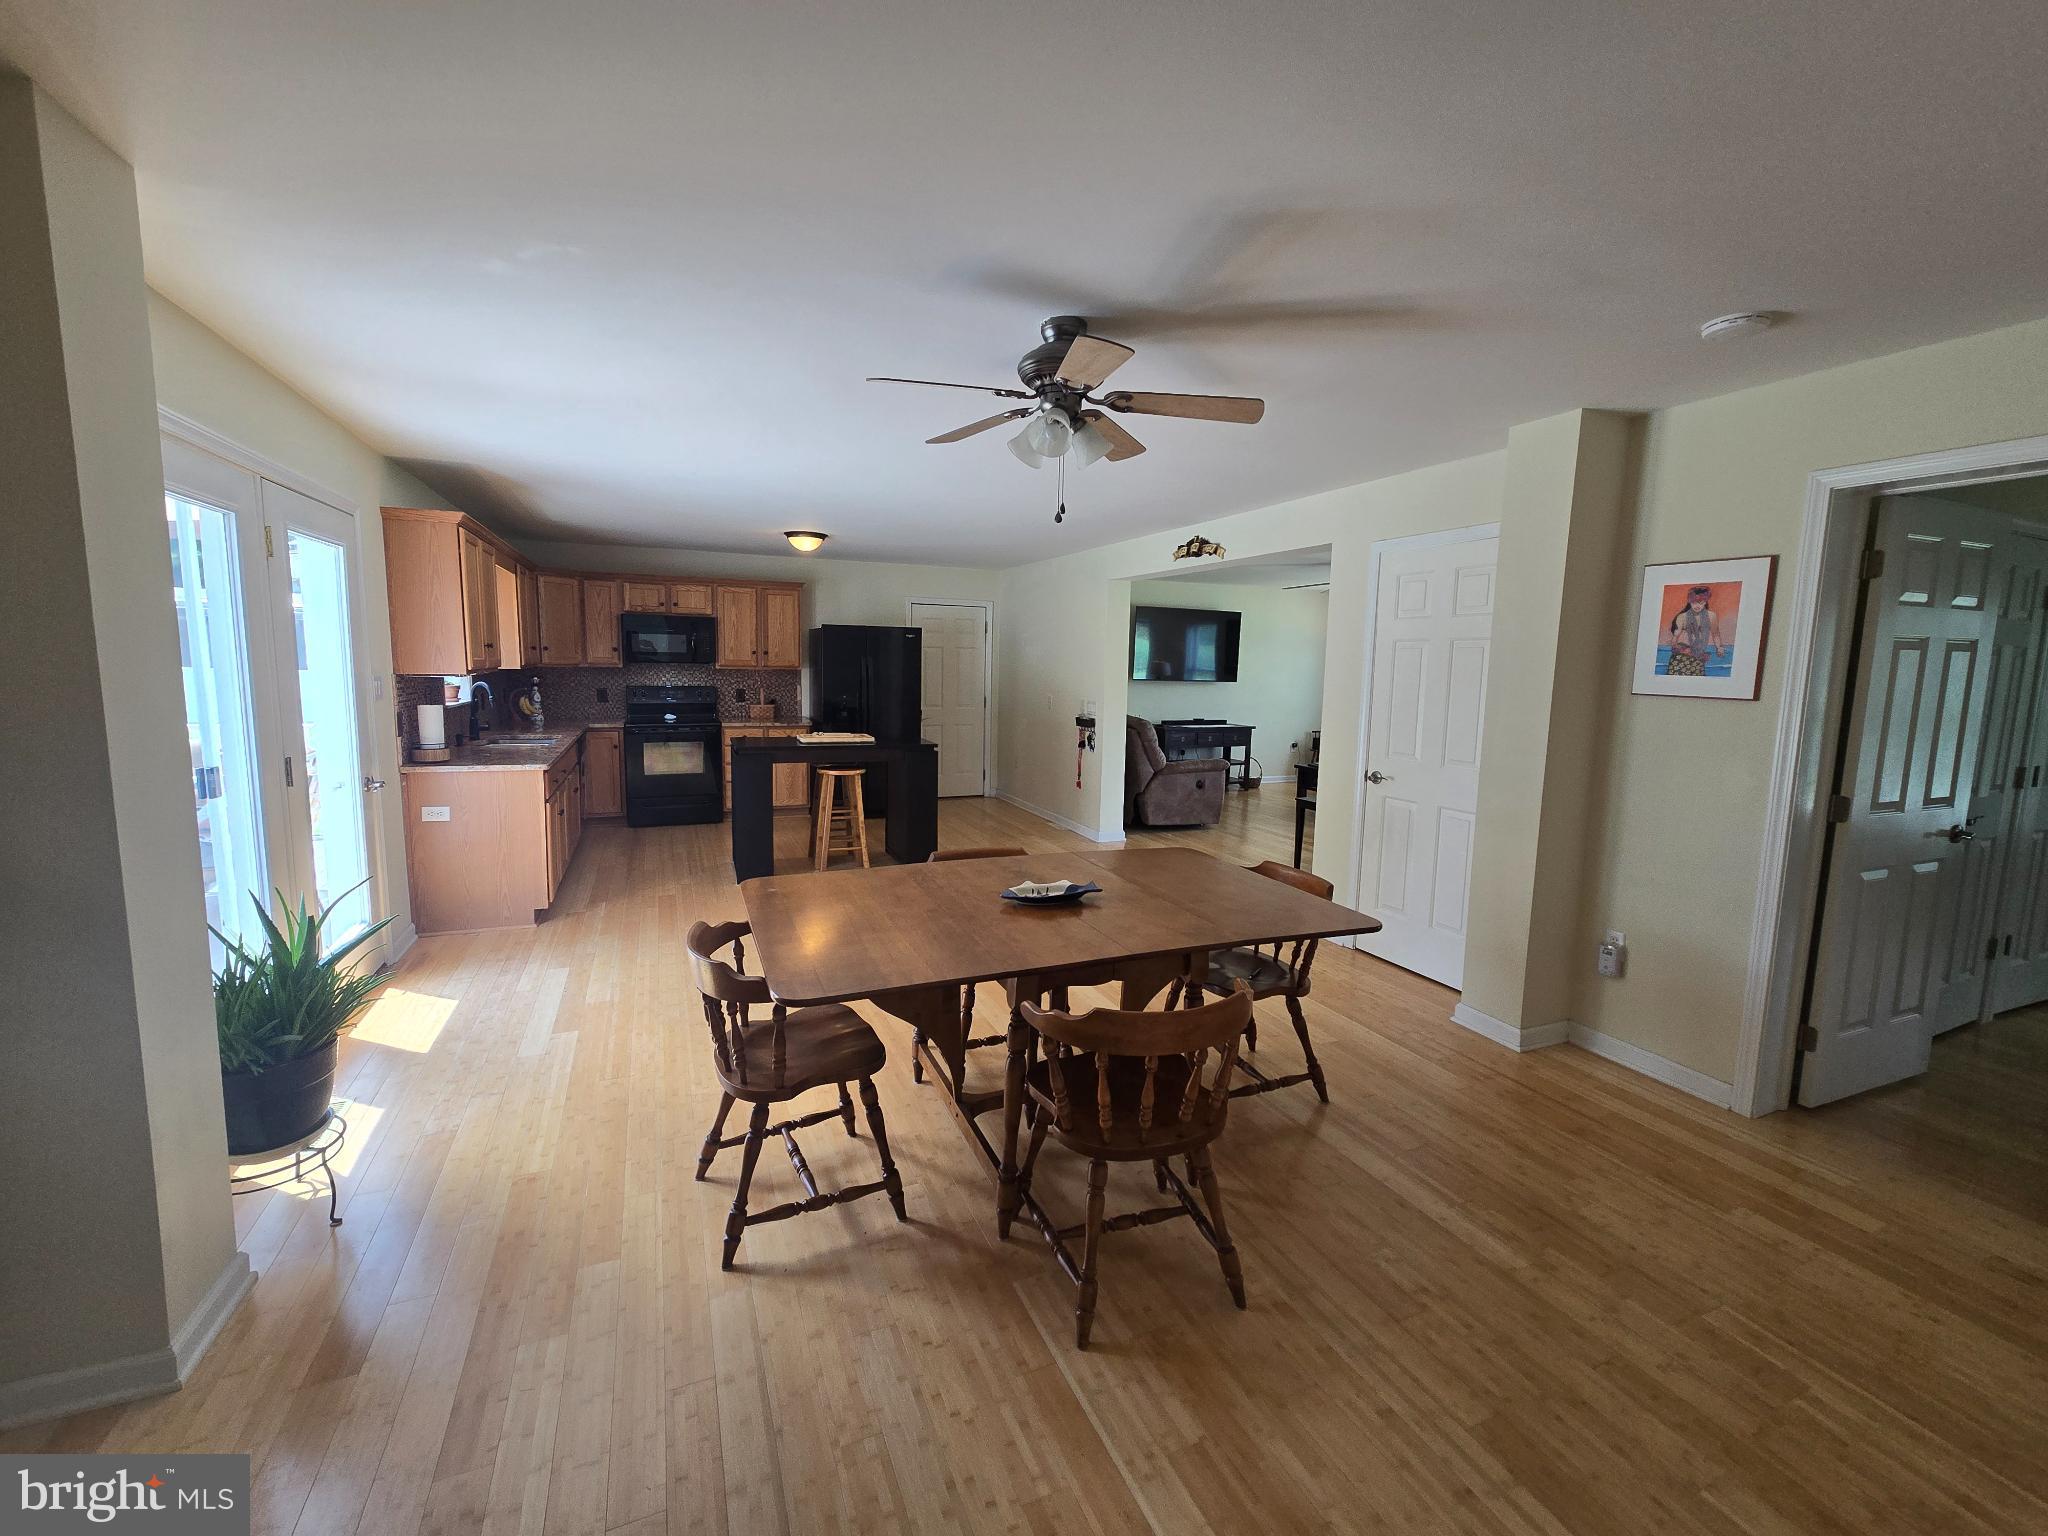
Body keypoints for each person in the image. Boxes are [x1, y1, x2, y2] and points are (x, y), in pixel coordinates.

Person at [1665, 585, 1725, 676]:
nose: (1697, 605)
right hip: (1680, 656)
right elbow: (1675, 637)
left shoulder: (1712, 616)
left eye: (1700, 602)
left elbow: (1715, 634)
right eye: (1694, 602)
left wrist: (1719, 647)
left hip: (1698, 657)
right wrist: (1678, 648)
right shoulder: (1682, 617)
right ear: (1690, 601)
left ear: (1705, 601)